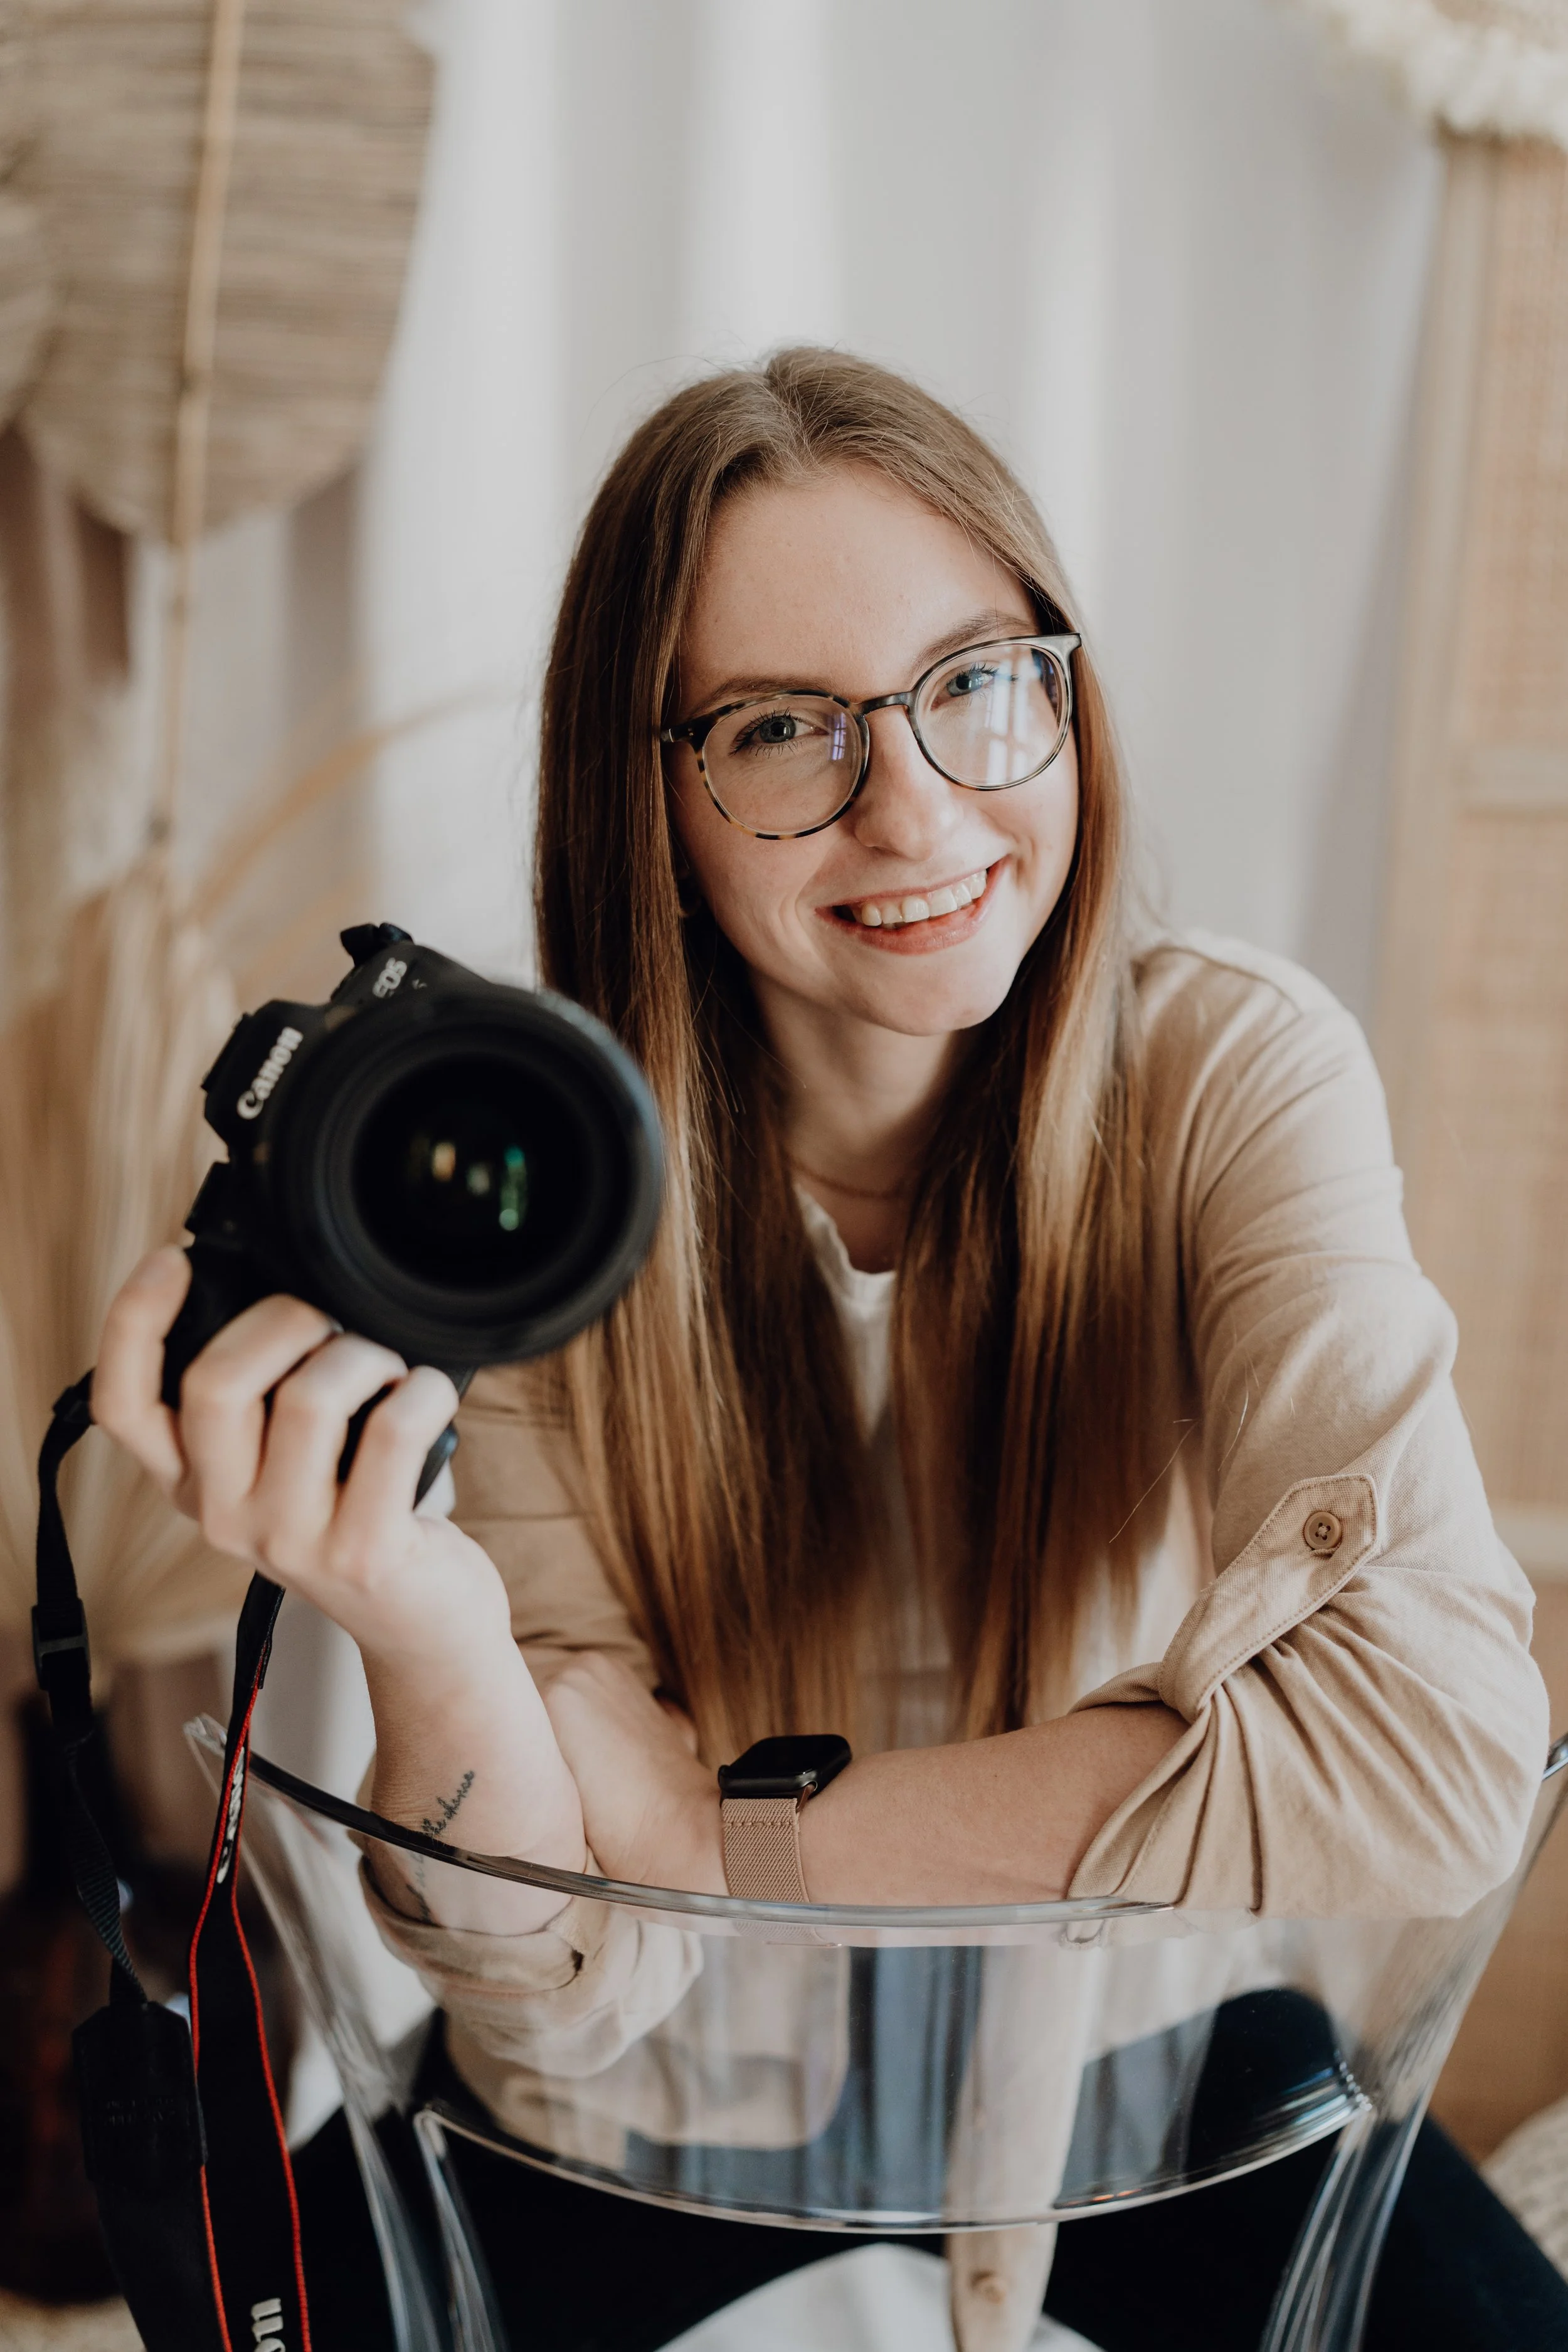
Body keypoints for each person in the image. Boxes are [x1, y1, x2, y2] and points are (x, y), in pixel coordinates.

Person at [93, 351, 1564, 2351]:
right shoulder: (534, 1167)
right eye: (785, 730)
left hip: (1138, 2074)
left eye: (976, 679)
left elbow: (1436, 1753)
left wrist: (719, 1834)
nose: (919, 804)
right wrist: (425, 1619)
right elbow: (572, 1982)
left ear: (1061, 684)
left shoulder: (1230, 1070)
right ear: (651, 790)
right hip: (620, 2123)